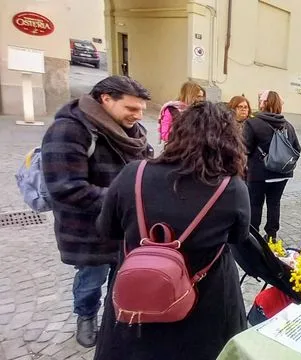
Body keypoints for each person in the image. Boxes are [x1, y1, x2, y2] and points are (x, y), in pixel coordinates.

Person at [94, 102, 249, 360]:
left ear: (177, 134)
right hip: (204, 300)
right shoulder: (231, 189)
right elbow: (238, 237)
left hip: (139, 297)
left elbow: (107, 229)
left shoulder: (134, 172)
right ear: (230, 142)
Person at [41, 76, 152, 347]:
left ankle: (117, 320)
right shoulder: (68, 130)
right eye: (131, 109)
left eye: (140, 110)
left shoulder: (132, 131)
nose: (138, 116)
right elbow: (66, 189)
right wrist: (124, 200)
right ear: (106, 99)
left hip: (126, 228)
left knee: (124, 279)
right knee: (92, 280)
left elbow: (145, 169)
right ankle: (86, 316)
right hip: (88, 232)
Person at [243, 91, 301, 240]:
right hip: (282, 173)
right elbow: (297, 148)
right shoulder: (287, 124)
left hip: (259, 173)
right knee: (274, 203)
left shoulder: (252, 122)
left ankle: (253, 235)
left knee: (255, 204)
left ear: (265, 103)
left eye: (261, 100)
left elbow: (245, 148)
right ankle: (271, 234)